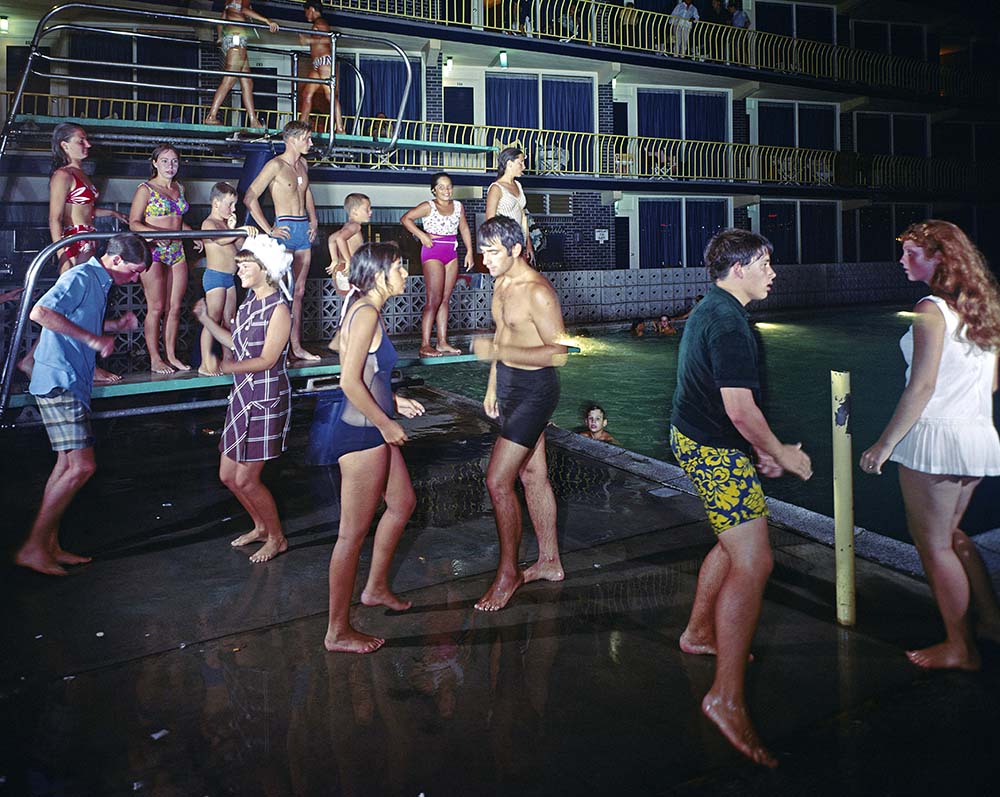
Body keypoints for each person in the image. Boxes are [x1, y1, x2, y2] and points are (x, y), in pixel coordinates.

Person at [670, 228, 812, 768]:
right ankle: (725, 699)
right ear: (738, 270)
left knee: (732, 546)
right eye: (765, 263)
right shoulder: (729, 324)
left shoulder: (711, 307)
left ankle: (699, 632)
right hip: (713, 450)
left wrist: (761, 451)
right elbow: (739, 410)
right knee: (755, 562)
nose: (773, 272)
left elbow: (716, 397)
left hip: (700, 438)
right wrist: (781, 453)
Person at [859, 220, 1000, 672]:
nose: (902, 260)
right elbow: (992, 384)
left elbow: (920, 387)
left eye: (912, 253)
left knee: (933, 544)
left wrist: (883, 445)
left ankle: (961, 647)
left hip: (936, 439)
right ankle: (991, 621)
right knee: (952, 534)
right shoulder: (982, 308)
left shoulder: (930, 309)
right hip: (976, 435)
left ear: (940, 257)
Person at [14, 234, 149, 576]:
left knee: (66, 466)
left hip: (72, 379)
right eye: (133, 271)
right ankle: (32, 547)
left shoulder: (99, 283)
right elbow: (41, 311)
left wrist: (113, 326)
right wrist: (93, 339)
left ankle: (49, 545)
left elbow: (75, 318)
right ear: (116, 260)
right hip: (61, 379)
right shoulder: (80, 276)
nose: (134, 279)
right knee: (81, 467)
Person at [325, 242, 425, 653]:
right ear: (381, 274)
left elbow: (345, 353)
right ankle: (337, 631)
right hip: (363, 433)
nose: (406, 274)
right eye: (400, 267)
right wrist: (386, 421)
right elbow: (348, 380)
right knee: (351, 535)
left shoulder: (363, 308)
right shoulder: (365, 312)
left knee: (402, 504)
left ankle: (376, 587)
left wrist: (391, 399)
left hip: (372, 422)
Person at [472, 216, 568, 611]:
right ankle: (549, 562)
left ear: (515, 250)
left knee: (497, 481)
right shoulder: (500, 282)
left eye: (493, 252)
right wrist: (493, 383)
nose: (485, 259)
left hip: (536, 391)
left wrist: (499, 355)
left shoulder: (538, 292)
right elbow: (501, 336)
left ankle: (508, 573)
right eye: (483, 250)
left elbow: (560, 353)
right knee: (533, 475)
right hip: (510, 385)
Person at [193, 236, 292, 564]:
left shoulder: (279, 308)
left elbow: (267, 359)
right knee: (227, 475)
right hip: (241, 396)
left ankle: (277, 538)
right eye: (238, 265)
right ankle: (260, 527)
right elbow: (235, 343)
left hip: (265, 398)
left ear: (265, 269)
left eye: (245, 265)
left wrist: (229, 366)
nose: (239, 271)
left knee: (247, 478)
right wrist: (206, 320)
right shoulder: (249, 305)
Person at [19, 124, 129, 382]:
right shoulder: (62, 175)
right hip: (74, 243)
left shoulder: (81, 174)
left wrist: (111, 213)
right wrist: (61, 255)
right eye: (81, 140)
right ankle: (75, 364)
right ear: (64, 145)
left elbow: (84, 210)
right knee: (72, 308)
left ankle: (31, 359)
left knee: (81, 307)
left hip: (87, 242)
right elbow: (55, 218)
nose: (87, 145)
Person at [244, 120, 320, 361]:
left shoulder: (303, 164)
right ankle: (279, 348)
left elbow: (306, 192)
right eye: (306, 138)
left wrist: (314, 220)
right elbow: (250, 197)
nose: (310, 142)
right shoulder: (275, 165)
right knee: (280, 292)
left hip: (303, 230)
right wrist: (268, 229)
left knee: (298, 292)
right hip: (284, 230)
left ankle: (296, 346)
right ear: (292, 140)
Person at [129, 144, 203, 374]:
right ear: (154, 163)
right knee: (157, 306)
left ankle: (171, 355)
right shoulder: (146, 189)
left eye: (174, 161)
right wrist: (155, 236)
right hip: (153, 252)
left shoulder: (179, 188)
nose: (170, 166)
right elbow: (134, 222)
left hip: (177, 250)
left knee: (174, 307)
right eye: (165, 161)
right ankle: (155, 358)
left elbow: (176, 219)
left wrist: (191, 233)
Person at [401, 172, 475, 357]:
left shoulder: (458, 206)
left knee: (444, 299)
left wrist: (470, 252)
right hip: (433, 251)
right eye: (441, 187)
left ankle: (442, 342)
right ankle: (425, 344)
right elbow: (406, 219)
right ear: (434, 190)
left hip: (451, 251)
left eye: (449, 186)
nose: (446, 190)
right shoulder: (428, 206)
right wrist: (422, 236)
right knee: (433, 299)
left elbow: (464, 227)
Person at [198, 182, 257, 376]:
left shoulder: (226, 224)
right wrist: (236, 230)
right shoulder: (209, 223)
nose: (232, 209)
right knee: (212, 318)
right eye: (229, 205)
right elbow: (219, 239)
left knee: (229, 320)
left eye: (234, 205)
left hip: (230, 278)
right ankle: (205, 362)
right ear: (216, 203)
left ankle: (228, 359)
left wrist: (236, 229)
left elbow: (240, 247)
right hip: (215, 277)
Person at [203, 0, 279, 128]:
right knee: (229, 80)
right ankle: (211, 116)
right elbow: (244, 10)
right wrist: (267, 20)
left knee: (247, 82)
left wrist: (221, 36)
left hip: (233, 39)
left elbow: (223, 16)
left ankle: (253, 120)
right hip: (237, 40)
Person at [326, 192, 373, 350]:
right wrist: (348, 261)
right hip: (349, 273)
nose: (371, 212)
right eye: (367, 209)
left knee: (353, 306)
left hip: (343, 273)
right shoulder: (355, 226)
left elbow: (332, 239)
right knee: (356, 306)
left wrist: (334, 259)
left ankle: (341, 341)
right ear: (354, 212)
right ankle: (341, 341)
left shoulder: (347, 226)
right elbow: (339, 240)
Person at [298, 0, 344, 134]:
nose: (306, 15)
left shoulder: (321, 22)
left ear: (311, 9)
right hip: (318, 64)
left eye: (306, 11)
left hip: (324, 61)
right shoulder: (317, 24)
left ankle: (340, 128)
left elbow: (327, 39)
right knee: (306, 94)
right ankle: (302, 126)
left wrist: (308, 40)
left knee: (330, 95)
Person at [485, 147, 535, 267]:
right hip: (504, 242)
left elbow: (522, 216)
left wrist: (528, 243)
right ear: (509, 163)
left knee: (521, 281)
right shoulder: (496, 188)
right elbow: (489, 220)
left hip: (518, 242)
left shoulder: (518, 185)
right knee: (507, 281)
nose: (524, 167)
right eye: (521, 162)